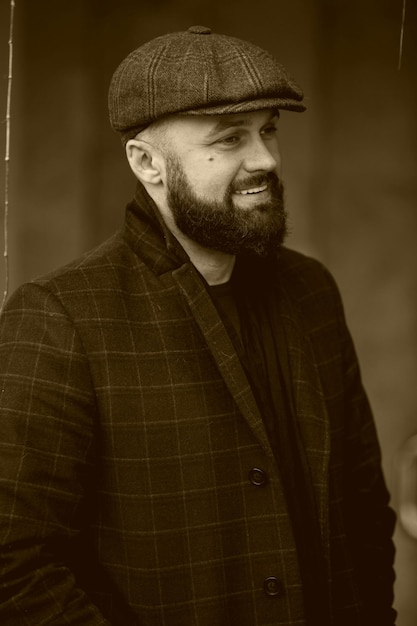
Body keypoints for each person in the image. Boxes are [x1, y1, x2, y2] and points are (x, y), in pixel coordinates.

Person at [0, 25, 396, 626]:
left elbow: (363, 509)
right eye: (230, 138)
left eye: (268, 131)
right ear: (146, 163)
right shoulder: (59, 318)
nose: (263, 159)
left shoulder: (312, 291)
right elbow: (15, 565)